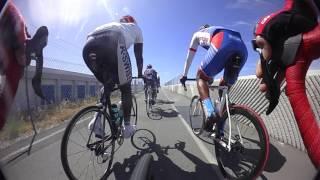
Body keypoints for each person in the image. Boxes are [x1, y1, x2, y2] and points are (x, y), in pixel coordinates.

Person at [253, 0, 320, 168]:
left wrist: (262, 55)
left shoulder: (262, 27)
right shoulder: (276, 22)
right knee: (277, 83)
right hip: (309, 30)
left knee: (262, 75)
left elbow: (259, 68)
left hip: (301, 32)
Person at [84, 15, 144, 138]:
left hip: (89, 45)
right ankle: (127, 127)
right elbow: (138, 56)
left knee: (108, 84)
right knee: (126, 88)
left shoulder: (114, 24)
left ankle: (96, 120)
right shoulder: (136, 28)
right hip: (113, 41)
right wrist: (139, 73)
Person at [180, 24, 247, 133]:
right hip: (242, 48)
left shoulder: (198, 34)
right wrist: (210, 76)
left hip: (221, 41)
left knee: (200, 77)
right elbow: (219, 62)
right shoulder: (218, 28)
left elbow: (190, 56)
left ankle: (210, 113)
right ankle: (219, 129)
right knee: (223, 88)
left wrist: (184, 75)